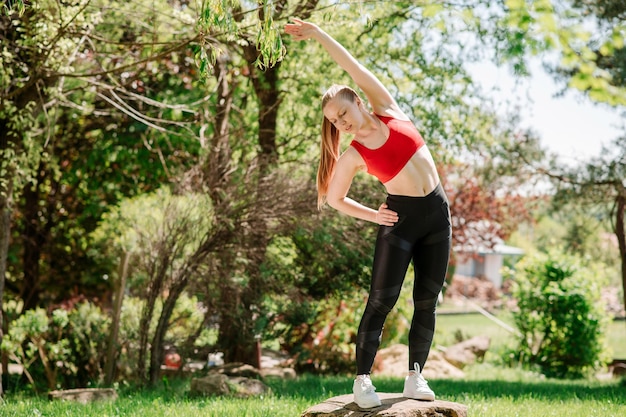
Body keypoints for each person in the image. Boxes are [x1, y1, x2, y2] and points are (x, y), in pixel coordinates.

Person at [284, 19, 451, 409]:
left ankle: (415, 375)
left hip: (438, 215)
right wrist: (375, 217)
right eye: (335, 122)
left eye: (343, 113)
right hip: (401, 222)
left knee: (428, 300)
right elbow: (335, 199)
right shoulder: (354, 155)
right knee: (381, 301)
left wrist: (320, 35)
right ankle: (363, 380)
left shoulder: (388, 108)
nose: (341, 123)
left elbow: (353, 65)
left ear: (357, 101)